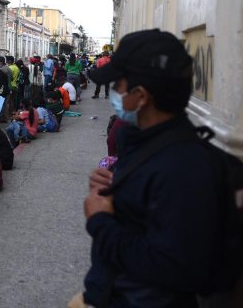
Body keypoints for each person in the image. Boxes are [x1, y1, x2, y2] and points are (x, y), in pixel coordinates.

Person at [81, 29, 227, 307]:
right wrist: (116, 185)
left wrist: (100, 222)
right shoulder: (147, 143)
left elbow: (178, 268)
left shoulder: (185, 167)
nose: (113, 92)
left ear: (140, 96)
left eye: (117, 84)